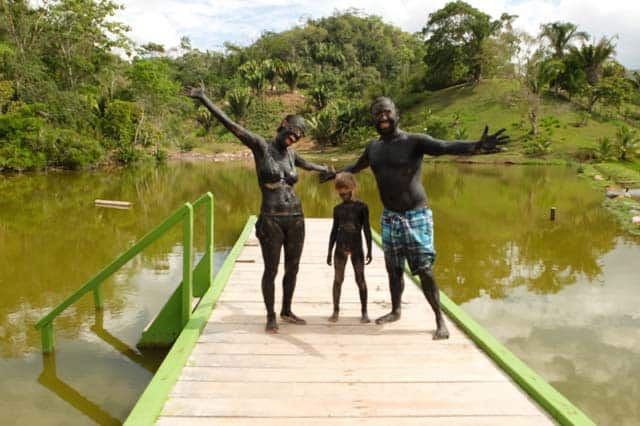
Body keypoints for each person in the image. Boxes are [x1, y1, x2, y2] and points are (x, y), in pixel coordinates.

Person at [322, 96, 508, 339]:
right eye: (377, 114)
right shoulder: (373, 148)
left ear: (397, 113)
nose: (383, 117)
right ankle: (396, 310)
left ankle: (440, 320)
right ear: (373, 119)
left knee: (424, 269)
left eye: (387, 112)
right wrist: (336, 172)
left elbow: (444, 147)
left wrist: (476, 146)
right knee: (393, 268)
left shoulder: (414, 142)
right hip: (390, 216)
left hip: (416, 215)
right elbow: (357, 165)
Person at [187, 86, 332, 333]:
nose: (295, 137)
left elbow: (306, 165)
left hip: (296, 217)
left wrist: (325, 170)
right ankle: (271, 314)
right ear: (283, 123)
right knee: (272, 268)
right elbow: (230, 124)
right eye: (293, 131)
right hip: (271, 218)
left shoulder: (291, 155)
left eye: (300, 135)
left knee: (293, 267)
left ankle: (287, 310)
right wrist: (204, 99)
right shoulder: (260, 146)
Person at [326, 172, 372, 323]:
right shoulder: (337, 209)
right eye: (340, 192)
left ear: (352, 188)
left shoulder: (362, 207)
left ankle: (364, 311)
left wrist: (370, 249)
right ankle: (335, 310)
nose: (342, 194)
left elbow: (366, 229)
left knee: (360, 279)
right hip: (340, 246)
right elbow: (334, 230)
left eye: (345, 191)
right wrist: (329, 251)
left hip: (357, 246)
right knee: (338, 279)